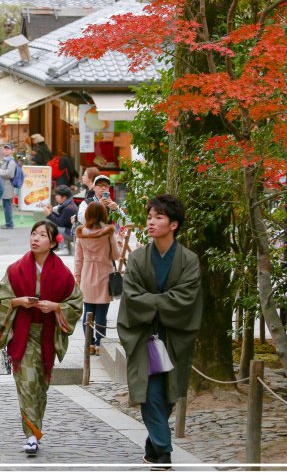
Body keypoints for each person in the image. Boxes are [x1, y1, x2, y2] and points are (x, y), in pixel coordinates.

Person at [117, 195, 202, 470]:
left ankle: (152, 446)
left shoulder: (189, 260)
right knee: (150, 392)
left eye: (159, 217)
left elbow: (185, 298)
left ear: (174, 224)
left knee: (168, 396)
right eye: (150, 217)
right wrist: (163, 300)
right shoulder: (138, 258)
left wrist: (151, 300)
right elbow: (131, 295)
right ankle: (164, 452)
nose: (151, 222)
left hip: (175, 336)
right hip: (144, 335)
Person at [0, 220, 83, 455]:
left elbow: (76, 303)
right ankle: (30, 435)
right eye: (34, 234)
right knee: (26, 383)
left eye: (42, 235)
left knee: (40, 386)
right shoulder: (16, 269)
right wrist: (17, 301)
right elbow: (0, 299)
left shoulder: (62, 273)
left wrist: (56, 307)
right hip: (23, 334)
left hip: (47, 335)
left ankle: (36, 427)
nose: (35, 238)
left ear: (53, 243)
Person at [74, 201, 119, 355]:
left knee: (88, 311)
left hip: (87, 274)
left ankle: (89, 344)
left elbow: (78, 258)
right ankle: (100, 345)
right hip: (104, 273)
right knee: (101, 313)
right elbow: (116, 255)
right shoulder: (108, 232)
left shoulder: (81, 233)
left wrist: (78, 277)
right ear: (103, 215)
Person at [43, 185, 78, 252]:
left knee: (54, 228)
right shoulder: (68, 204)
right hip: (69, 230)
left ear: (64, 197)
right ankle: (57, 247)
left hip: (72, 233)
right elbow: (61, 219)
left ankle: (63, 248)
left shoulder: (69, 208)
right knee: (50, 224)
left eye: (57, 195)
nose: (56, 197)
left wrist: (49, 215)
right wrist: (51, 212)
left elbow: (60, 223)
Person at [0, 143, 17, 229]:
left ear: (12, 150)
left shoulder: (11, 161)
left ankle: (9, 223)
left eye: (8, 149)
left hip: (8, 186)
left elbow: (9, 174)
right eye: (5, 149)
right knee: (6, 205)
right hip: (5, 185)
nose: (6, 150)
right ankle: (8, 223)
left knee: (7, 206)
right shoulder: (5, 160)